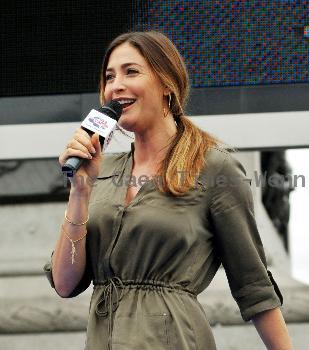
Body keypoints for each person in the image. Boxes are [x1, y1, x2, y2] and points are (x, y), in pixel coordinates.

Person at [44, 30, 292, 350]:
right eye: (109, 77)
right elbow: (64, 284)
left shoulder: (215, 168)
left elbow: (254, 285)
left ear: (166, 84)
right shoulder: (100, 170)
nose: (116, 85)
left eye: (131, 71)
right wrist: (79, 192)